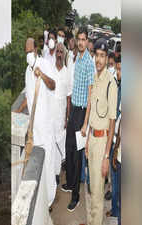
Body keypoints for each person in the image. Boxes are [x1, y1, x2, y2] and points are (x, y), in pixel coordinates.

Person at [16, 37, 57, 209]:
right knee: (35, 160)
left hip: (45, 124)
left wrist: (41, 73)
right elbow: (28, 96)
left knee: (46, 161)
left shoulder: (44, 63)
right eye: (26, 51)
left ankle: (49, 200)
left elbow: (53, 84)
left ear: (35, 51)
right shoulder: (27, 70)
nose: (28, 54)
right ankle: (40, 198)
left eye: (29, 51)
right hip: (33, 127)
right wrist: (17, 112)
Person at [62, 27, 95, 213]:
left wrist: (85, 123)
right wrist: (70, 114)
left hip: (82, 113)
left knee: (76, 156)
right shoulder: (78, 59)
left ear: (87, 40)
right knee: (69, 150)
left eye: (84, 39)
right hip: (74, 110)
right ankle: (70, 183)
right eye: (79, 39)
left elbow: (90, 95)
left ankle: (76, 197)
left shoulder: (89, 62)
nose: (81, 42)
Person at [85, 38, 117, 225]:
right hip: (92, 139)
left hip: (103, 142)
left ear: (107, 59)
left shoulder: (111, 84)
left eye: (102, 56)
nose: (98, 59)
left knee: (97, 195)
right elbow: (93, 116)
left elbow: (112, 122)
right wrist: (88, 140)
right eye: (96, 55)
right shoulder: (95, 78)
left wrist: (106, 156)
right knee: (91, 189)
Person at [51, 42, 72, 185]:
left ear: (64, 54)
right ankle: (50, 172)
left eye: (61, 52)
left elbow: (69, 97)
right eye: (57, 52)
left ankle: (57, 173)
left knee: (59, 144)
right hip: (50, 114)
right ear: (55, 54)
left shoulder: (67, 72)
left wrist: (67, 118)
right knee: (50, 143)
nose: (59, 54)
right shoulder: (49, 70)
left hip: (61, 115)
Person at [106, 54, 121, 220]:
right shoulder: (117, 85)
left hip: (120, 144)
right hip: (115, 138)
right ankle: (115, 210)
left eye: (120, 69)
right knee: (115, 180)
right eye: (117, 69)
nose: (118, 72)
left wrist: (116, 148)